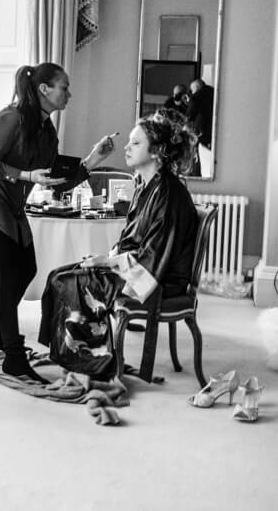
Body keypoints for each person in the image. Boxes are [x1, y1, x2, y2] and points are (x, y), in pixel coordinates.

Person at [0, 63, 116, 383]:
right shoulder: (11, 118)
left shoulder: (47, 130)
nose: (69, 94)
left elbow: (56, 181)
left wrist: (92, 159)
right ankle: (14, 358)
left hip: (14, 205)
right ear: (44, 89)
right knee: (11, 273)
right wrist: (25, 175)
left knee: (27, 269)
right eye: (64, 87)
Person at [36, 110, 200, 379]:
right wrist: (107, 257)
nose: (126, 147)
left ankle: (90, 362)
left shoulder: (169, 195)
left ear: (157, 151)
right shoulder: (146, 186)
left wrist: (105, 262)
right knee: (59, 275)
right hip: (138, 268)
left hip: (157, 280)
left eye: (136, 143)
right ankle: (64, 353)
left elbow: (154, 260)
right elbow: (131, 240)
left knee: (72, 281)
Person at [185, 79, 214, 149]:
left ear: (197, 87)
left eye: (191, 90)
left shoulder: (194, 98)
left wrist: (189, 102)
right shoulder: (212, 90)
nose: (191, 92)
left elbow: (189, 115)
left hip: (207, 129)